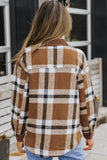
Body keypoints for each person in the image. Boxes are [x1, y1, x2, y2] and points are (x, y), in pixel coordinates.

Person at [10, 0, 97, 159]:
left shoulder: (26, 58)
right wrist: (88, 133)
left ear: (39, 23)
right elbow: (87, 102)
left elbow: (19, 105)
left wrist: (19, 135)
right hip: (69, 138)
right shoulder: (78, 57)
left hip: (36, 140)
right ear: (65, 23)